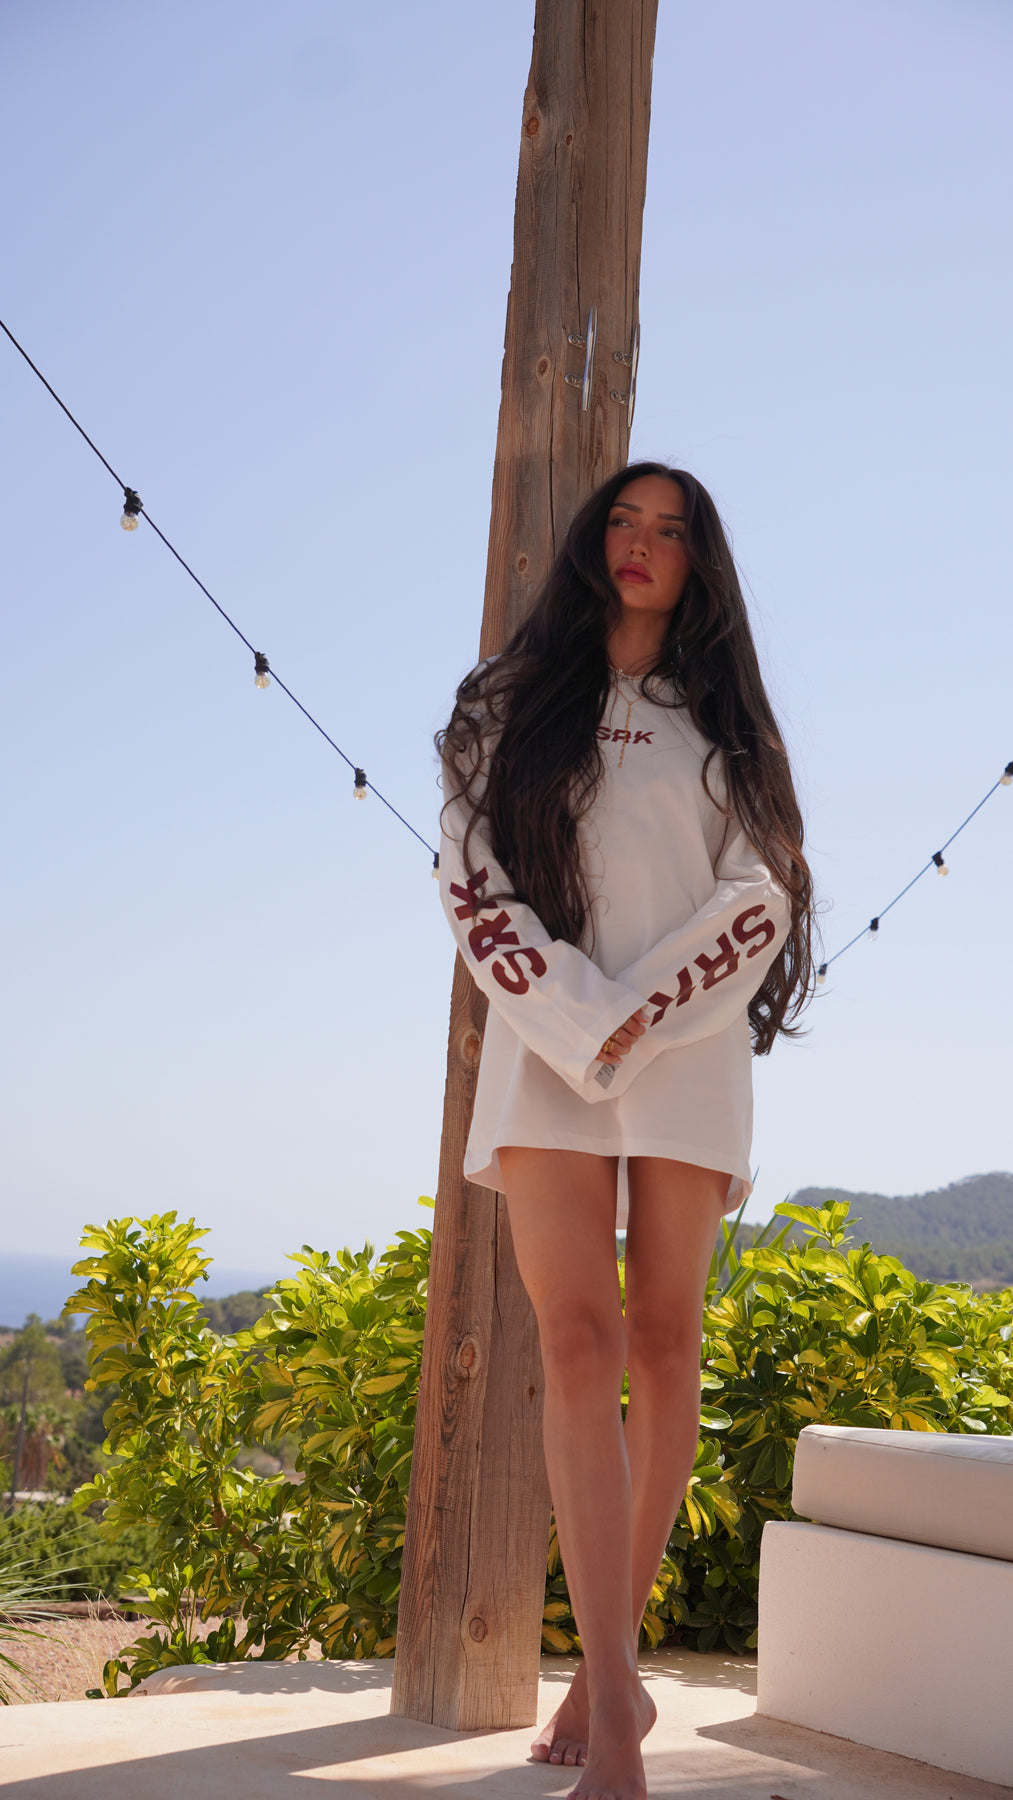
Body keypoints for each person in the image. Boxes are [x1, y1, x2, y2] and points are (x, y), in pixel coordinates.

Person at [436, 462, 814, 1800]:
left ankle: (608, 1675)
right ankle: (613, 1711)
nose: (642, 545)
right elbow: (470, 876)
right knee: (575, 1341)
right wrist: (577, 1018)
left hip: (686, 1053)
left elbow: (760, 894)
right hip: (546, 1046)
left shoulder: (725, 725)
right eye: (624, 520)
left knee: (661, 1343)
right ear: (595, 539)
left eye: (671, 530)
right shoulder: (503, 705)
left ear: (700, 560)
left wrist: (633, 1019)